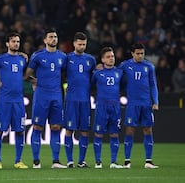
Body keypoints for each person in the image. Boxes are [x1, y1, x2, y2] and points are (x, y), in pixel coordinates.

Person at [25, 28, 67, 169]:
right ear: (45, 40)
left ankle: (55, 161)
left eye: (55, 37)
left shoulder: (62, 57)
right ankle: (36, 161)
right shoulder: (37, 56)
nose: (53, 39)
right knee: (37, 126)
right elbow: (26, 75)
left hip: (56, 95)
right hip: (41, 95)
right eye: (50, 37)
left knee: (55, 127)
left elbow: (68, 73)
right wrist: (34, 81)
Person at [0, 32, 28, 169]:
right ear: (7, 44)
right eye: (13, 41)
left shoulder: (22, 60)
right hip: (4, 100)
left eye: (17, 41)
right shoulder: (0, 60)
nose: (16, 43)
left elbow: (25, 76)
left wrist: (36, 82)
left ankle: (18, 161)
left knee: (20, 130)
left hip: (19, 101)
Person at [119, 43, 160, 169]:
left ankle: (148, 161)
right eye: (138, 53)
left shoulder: (149, 66)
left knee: (147, 130)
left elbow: (153, 85)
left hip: (146, 104)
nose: (140, 56)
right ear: (132, 53)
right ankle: (127, 161)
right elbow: (116, 77)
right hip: (132, 104)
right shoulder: (125, 65)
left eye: (142, 53)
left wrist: (155, 101)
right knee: (130, 130)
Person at [64, 32, 96, 168]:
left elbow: (95, 78)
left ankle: (81, 161)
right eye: (79, 44)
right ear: (74, 43)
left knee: (84, 130)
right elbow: (59, 75)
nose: (82, 46)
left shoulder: (90, 60)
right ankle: (70, 160)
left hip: (85, 100)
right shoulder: (67, 58)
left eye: (84, 44)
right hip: (71, 99)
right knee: (69, 130)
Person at [91, 47, 124, 169]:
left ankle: (113, 162)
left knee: (114, 134)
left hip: (115, 106)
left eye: (112, 56)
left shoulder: (119, 72)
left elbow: (124, 86)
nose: (111, 58)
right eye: (108, 57)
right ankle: (98, 162)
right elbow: (90, 85)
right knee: (99, 134)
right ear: (103, 59)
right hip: (102, 106)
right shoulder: (97, 73)